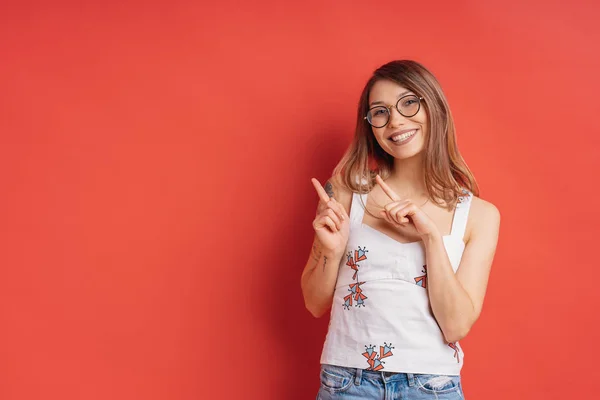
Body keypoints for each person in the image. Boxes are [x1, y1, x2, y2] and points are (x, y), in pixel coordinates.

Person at [300, 60, 500, 399]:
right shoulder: (347, 192)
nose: (395, 121)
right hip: (347, 383)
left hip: (432, 386)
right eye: (380, 112)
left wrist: (431, 239)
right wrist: (331, 253)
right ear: (370, 127)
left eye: (409, 103)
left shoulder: (479, 215)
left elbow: (455, 325)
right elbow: (314, 302)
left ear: (433, 105)